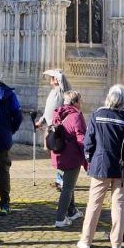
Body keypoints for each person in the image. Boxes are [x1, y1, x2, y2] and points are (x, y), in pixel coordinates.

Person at [77, 84, 124, 248]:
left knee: (94, 203)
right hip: (122, 167)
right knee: (119, 205)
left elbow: (88, 142)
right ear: (123, 100)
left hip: (100, 165)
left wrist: (88, 159)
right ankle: (116, 243)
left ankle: (86, 240)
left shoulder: (97, 115)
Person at [0, 67, 23, 214]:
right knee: (4, 173)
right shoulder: (10, 94)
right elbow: (18, 116)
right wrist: (10, 130)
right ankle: (4, 205)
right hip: (4, 139)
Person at [50, 90, 86, 228]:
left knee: (68, 184)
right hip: (71, 157)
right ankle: (60, 219)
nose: (81, 103)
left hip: (58, 155)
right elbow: (81, 138)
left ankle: (72, 211)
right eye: (80, 100)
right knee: (68, 187)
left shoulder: (58, 113)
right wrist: (87, 155)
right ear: (75, 102)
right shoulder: (76, 116)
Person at [35, 69, 71, 190]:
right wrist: (41, 121)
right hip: (51, 128)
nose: (50, 81)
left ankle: (61, 181)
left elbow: (61, 109)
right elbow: (48, 111)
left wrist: (58, 75)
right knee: (56, 155)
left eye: (52, 78)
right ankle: (59, 179)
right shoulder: (53, 92)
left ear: (56, 80)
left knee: (60, 154)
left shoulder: (62, 93)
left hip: (59, 129)